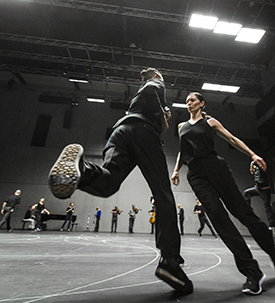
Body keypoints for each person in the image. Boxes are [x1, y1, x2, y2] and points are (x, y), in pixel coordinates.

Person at [48, 68, 192, 294]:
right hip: (143, 133)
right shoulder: (155, 85)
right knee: (163, 195)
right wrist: (160, 114)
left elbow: (152, 109)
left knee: (109, 183)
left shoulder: (138, 100)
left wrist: (162, 118)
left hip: (120, 132)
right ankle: (170, 262)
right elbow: (151, 94)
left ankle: (82, 170)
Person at [171, 92, 275, 296]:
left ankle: (271, 250)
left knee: (242, 212)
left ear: (201, 104)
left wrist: (252, 154)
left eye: (193, 100)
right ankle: (252, 272)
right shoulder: (181, 127)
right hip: (196, 174)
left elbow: (232, 139)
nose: (189, 102)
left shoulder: (210, 122)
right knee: (219, 219)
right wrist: (176, 170)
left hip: (215, 167)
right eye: (187, 100)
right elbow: (182, 150)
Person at [244, 161, 275, 228]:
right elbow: (252, 170)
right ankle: (248, 209)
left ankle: (271, 225)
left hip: (265, 190)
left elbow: (258, 163)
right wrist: (252, 167)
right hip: (257, 189)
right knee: (247, 193)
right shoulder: (255, 170)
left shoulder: (262, 169)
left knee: (267, 207)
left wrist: (252, 163)